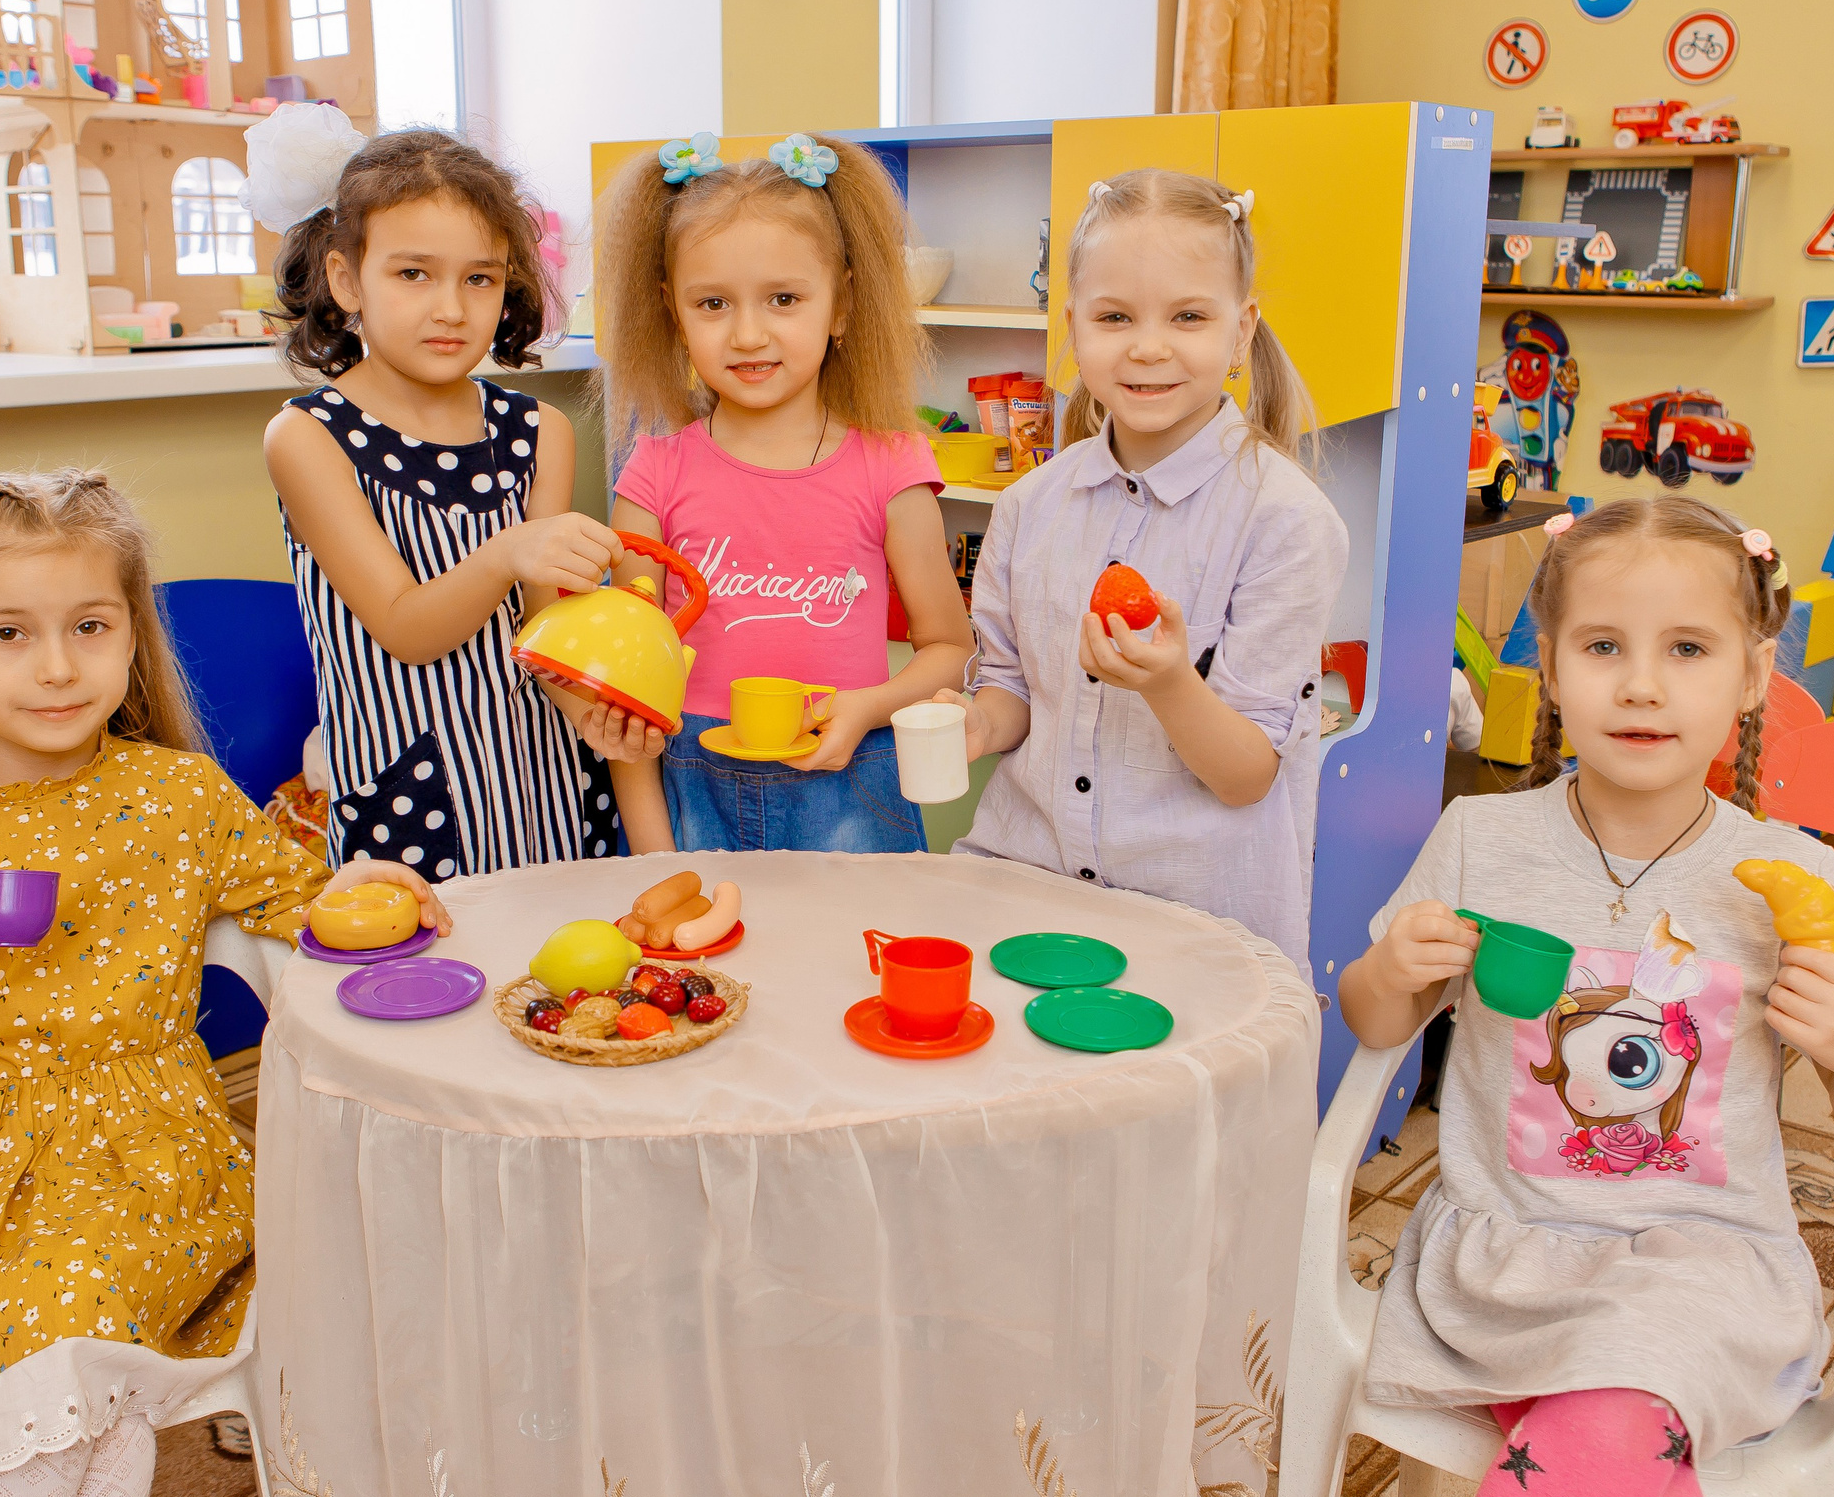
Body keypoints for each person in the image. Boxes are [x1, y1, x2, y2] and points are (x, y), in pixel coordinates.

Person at [0, 468, 449, 1497]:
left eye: (91, 626)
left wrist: (363, 883)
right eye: (8, 633)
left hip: (150, 1159)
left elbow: (302, 904)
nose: (57, 666)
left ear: (132, 633)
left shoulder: (179, 797)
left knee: (70, 1313)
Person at [1336, 496, 1834, 1497]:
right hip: (1509, 1251)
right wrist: (1389, 969)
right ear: (1551, 667)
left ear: (1752, 675)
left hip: (1707, 1264)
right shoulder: (1479, 838)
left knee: (1616, 1405)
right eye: (1603, 645)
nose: (1642, 684)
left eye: (1688, 648)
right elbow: (1375, 1019)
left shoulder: (1790, 871)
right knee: (1621, 1432)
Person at [936, 168, 1349, 979]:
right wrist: (978, 725)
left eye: (1188, 316)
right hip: (1026, 887)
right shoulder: (1028, 506)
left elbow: (1247, 777)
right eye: (1115, 316)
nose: (1148, 346)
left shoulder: (1286, 521)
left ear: (1241, 330)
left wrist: (1169, 685)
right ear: (1073, 328)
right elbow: (1013, 689)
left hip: (1195, 926)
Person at [255, 105, 642, 872]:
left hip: (546, 787)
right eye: (413, 274)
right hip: (413, 802)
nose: (451, 309)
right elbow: (406, 628)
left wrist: (589, 715)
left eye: (479, 278)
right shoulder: (307, 438)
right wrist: (507, 552)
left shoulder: (540, 431)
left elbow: (543, 628)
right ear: (345, 279)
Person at [588, 130, 971, 851]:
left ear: (842, 305)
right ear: (673, 312)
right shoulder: (651, 474)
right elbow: (629, 692)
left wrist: (869, 707)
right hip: (694, 786)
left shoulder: (893, 467)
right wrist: (654, 858)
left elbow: (950, 649)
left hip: (855, 782)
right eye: (713, 303)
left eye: (784, 298)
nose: (748, 334)